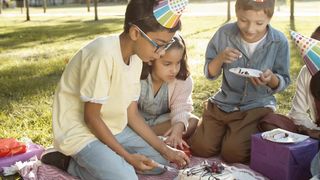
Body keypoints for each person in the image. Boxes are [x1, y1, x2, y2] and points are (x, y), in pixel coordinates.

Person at [41, 0, 190, 179]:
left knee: (159, 164)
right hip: (81, 132)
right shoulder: (102, 54)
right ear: (135, 32)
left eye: (166, 45)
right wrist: (127, 157)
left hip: (113, 127)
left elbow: (132, 114)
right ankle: (70, 163)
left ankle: (106, 162)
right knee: (126, 177)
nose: (160, 53)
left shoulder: (136, 59)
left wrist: (166, 150)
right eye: (159, 44)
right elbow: (91, 118)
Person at [188, 0, 290, 163]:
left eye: (259, 23)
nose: (250, 29)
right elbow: (209, 72)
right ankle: (224, 132)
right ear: (237, 14)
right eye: (243, 20)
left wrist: (271, 79)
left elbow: (283, 80)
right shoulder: (224, 34)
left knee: (233, 154)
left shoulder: (279, 41)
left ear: (269, 18)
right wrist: (220, 58)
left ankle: (237, 134)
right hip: (224, 103)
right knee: (200, 148)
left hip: (256, 106)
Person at [138, 34, 199, 150]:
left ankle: (146, 138)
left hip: (161, 122)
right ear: (152, 59)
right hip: (136, 122)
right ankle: (147, 137)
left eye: (178, 63)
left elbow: (181, 107)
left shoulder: (183, 80)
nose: (174, 70)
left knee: (192, 121)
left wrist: (178, 128)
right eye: (167, 64)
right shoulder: (138, 77)